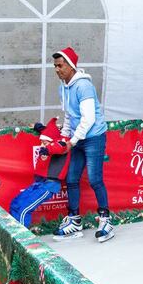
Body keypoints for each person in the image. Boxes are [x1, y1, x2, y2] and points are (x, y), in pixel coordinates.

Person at [51, 47, 114, 242]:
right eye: (54, 66)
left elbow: (88, 118)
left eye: (60, 65)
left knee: (95, 179)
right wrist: (64, 136)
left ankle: (106, 221)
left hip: (93, 137)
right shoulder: (63, 87)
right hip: (77, 138)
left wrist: (72, 140)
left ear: (70, 66)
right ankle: (75, 221)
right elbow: (70, 115)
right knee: (71, 179)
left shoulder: (83, 86)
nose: (56, 69)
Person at [9, 118, 70, 229]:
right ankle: (13, 232)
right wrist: (39, 127)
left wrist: (47, 149)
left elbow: (59, 146)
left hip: (49, 185)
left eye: (44, 143)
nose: (42, 145)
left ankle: (21, 238)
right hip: (38, 184)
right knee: (16, 204)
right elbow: (49, 133)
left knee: (24, 209)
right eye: (41, 142)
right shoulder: (50, 140)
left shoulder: (62, 143)